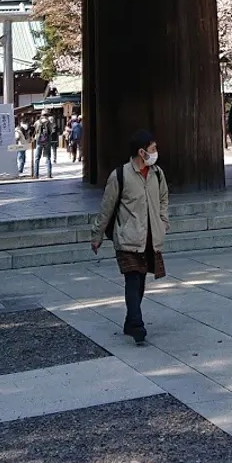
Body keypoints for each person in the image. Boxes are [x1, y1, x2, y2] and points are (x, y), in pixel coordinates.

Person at [91, 131, 169, 344]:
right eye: (152, 149)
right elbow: (106, 207)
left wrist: (163, 222)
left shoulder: (157, 173)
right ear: (141, 152)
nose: (155, 153)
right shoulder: (120, 175)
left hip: (150, 236)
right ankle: (136, 324)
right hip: (128, 236)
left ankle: (129, 320)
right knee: (132, 280)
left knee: (141, 280)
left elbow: (163, 199)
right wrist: (97, 234)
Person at [33, 113, 55, 179]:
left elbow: (34, 130)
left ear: (41, 115)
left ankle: (36, 175)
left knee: (37, 158)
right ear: (47, 116)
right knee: (48, 158)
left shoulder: (37, 122)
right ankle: (49, 174)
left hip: (39, 141)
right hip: (47, 141)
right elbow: (51, 131)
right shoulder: (49, 123)